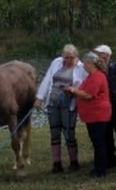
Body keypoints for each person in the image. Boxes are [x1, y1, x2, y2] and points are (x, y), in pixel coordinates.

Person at [34, 43, 88, 173]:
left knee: (69, 132)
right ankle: (57, 163)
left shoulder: (82, 68)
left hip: (69, 104)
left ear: (76, 56)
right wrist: (39, 97)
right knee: (54, 133)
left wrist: (73, 90)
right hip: (53, 102)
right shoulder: (56, 62)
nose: (68, 60)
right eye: (66, 57)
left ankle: (74, 162)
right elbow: (47, 79)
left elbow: (85, 86)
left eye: (71, 57)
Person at [66, 51, 112, 178]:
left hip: (98, 114)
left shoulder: (97, 76)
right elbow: (84, 91)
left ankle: (101, 169)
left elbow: (88, 95)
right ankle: (99, 166)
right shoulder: (90, 77)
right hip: (92, 115)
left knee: (99, 142)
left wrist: (73, 90)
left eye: (85, 64)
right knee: (96, 141)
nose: (84, 66)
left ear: (89, 63)